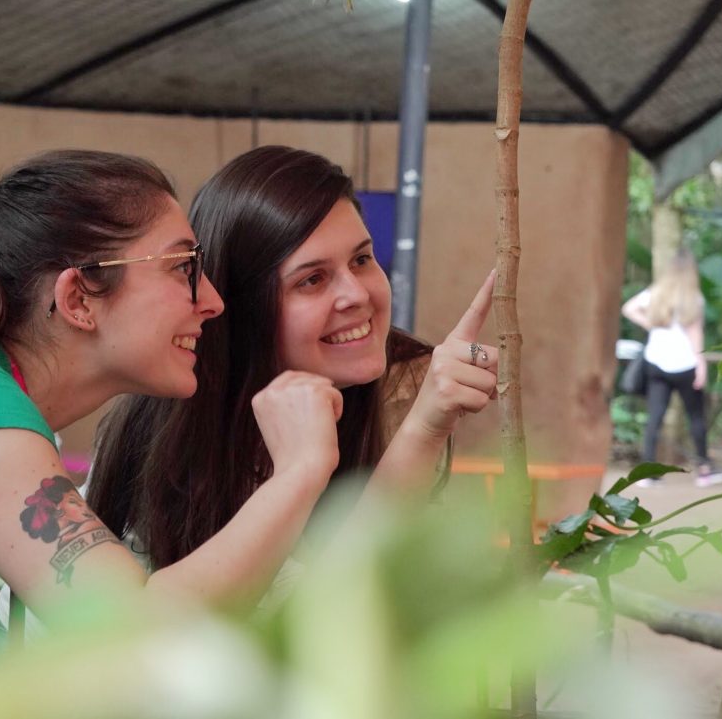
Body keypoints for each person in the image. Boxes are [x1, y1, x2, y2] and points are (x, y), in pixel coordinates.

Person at [0, 150, 344, 696]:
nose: (213, 300)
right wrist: (300, 470)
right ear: (78, 299)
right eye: (182, 268)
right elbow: (129, 635)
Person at [90, 145, 498, 575]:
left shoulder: (404, 388)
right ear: (242, 308)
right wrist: (421, 433)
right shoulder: (171, 439)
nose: (357, 295)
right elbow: (310, 617)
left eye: (361, 259)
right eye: (312, 279)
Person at [621, 248, 722, 487]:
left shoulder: (656, 293)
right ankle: (704, 470)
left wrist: (650, 324)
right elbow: (695, 334)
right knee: (696, 417)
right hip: (685, 365)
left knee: (654, 418)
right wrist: (701, 366)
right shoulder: (693, 298)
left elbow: (628, 308)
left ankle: (647, 473)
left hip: (656, 363)